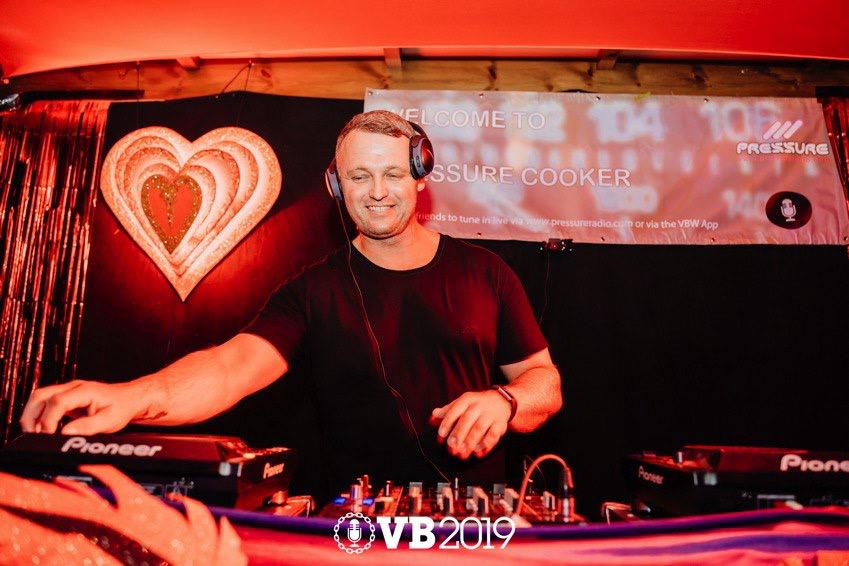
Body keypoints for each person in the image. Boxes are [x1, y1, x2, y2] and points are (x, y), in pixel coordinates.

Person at [20, 110, 562, 490]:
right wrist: (133, 397)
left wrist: (505, 400)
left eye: (393, 173)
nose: (377, 191)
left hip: (475, 521)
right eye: (359, 176)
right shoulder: (311, 291)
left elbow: (545, 382)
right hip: (352, 526)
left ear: (420, 178)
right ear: (337, 186)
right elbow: (230, 367)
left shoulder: (486, 272)